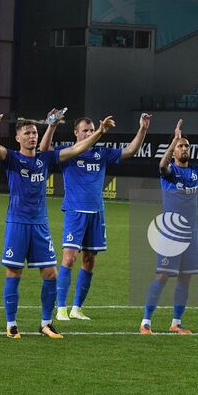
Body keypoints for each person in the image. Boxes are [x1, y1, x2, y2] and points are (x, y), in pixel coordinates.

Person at [0, 109, 111, 339]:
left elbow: (77, 148)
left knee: (51, 273)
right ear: (18, 138)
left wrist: (100, 132)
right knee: (14, 273)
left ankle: (46, 323)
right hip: (17, 223)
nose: (32, 136)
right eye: (27, 133)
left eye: (34, 132)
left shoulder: (45, 158)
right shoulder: (13, 159)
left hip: (40, 225)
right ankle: (11, 324)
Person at [38, 110, 152, 322]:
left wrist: (142, 130)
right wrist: (52, 125)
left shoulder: (102, 153)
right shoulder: (69, 153)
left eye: (92, 130)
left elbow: (130, 151)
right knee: (69, 258)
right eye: (85, 130)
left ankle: (77, 308)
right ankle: (61, 308)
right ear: (75, 133)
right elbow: (44, 150)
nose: (88, 133)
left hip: (97, 213)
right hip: (75, 212)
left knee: (89, 261)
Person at [142, 119, 198, 335]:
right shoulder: (170, 171)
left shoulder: (195, 171)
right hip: (171, 231)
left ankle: (176, 323)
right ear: (174, 151)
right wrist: (173, 140)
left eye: (186, 146)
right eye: (181, 146)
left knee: (185, 277)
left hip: (191, 233)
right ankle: (145, 322)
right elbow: (161, 165)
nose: (184, 148)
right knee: (162, 276)